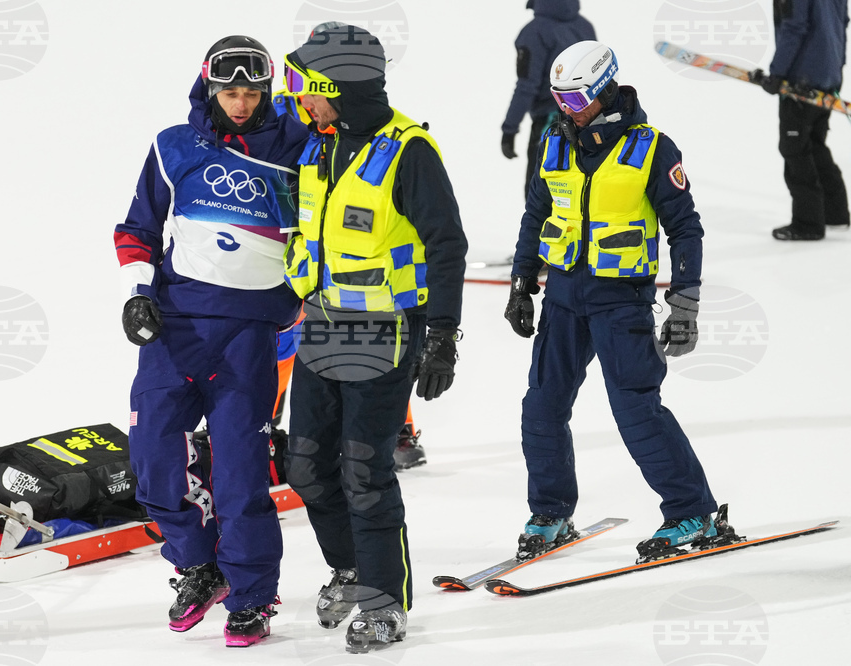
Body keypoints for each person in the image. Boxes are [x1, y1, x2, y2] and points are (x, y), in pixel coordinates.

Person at [504, 41, 738, 564]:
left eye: (574, 99)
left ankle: (693, 511)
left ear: (605, 90)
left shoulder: (652, 149)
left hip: (621, 301)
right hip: (564, 298)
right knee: (541, 407)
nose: (566, 110)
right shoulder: (554, 142)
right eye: (558, 99)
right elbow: (536, 214)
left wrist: (685, 302)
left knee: (635, 408)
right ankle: (550, 511)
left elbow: (685, 228)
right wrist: (522, 282)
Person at [113, 35, 308, 647]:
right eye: (230, 92)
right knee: (152, 462)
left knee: (242, 476)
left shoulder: (300, 145)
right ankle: (199, 565)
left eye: (252, 92)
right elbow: (138, 228)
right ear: (209, 88)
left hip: (251, 335)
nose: (241, 103)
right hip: (174, 329)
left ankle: (251, 597)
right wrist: (138, 293)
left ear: (268, 90)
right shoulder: (174, 145)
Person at [279, 25, 467, 653]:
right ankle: (352, 568)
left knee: (364, 471)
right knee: (305, 464)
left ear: (340, 87)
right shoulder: (320, 145)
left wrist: (442, 335)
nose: (300, 97)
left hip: (384, 332)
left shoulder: (409, 152)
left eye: (309, 85)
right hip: (321, 323)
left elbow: (447, 245)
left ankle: (386, 604)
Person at [755, 0, 849, 240]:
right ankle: (835, 213)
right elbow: (841, 23)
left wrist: (778, 73)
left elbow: (795, 26)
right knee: (815, 144)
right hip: (827, 78)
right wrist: (835, 71)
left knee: (794, 148)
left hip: (801, 82)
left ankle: (808, 224)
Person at [500, 0, 596, 197]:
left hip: (552, 123)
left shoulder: (534, 32)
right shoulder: (584, 26)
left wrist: (509, 129)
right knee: (584, 191)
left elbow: (527, 85)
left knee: (539, 195)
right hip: (591, 122)